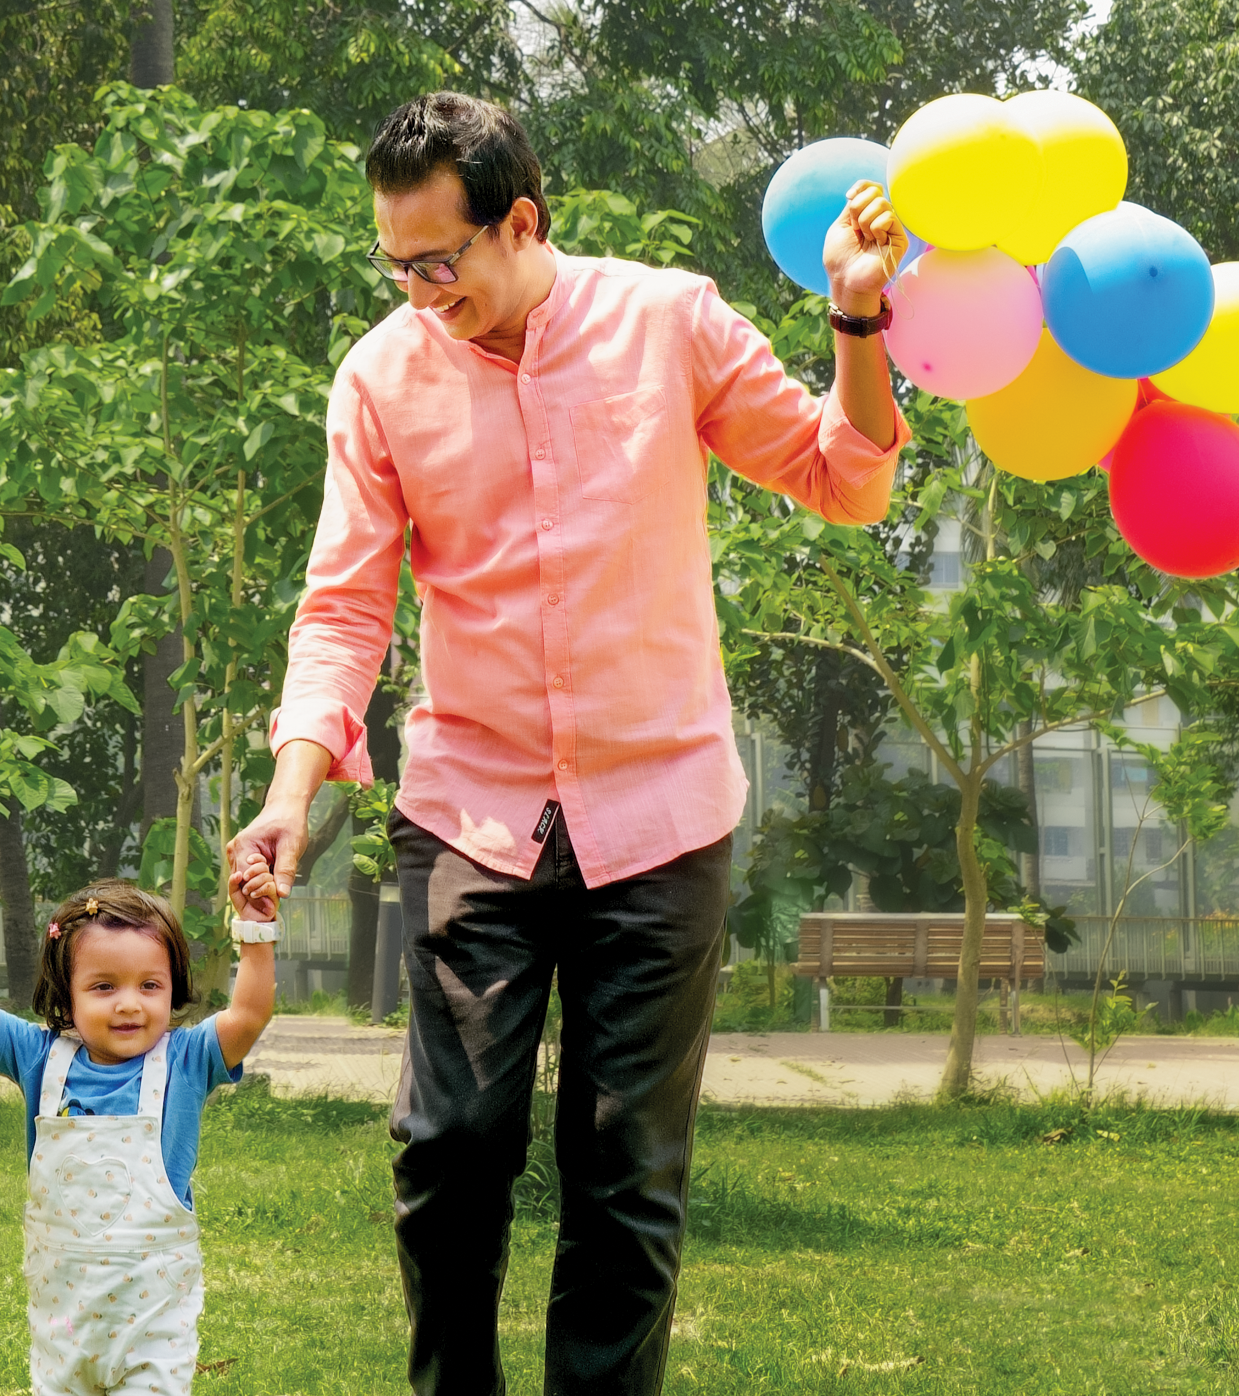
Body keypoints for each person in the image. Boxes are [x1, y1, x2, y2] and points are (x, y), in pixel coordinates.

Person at [225, 93, 907, 1394]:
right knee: (449, 1150)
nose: (419, 292)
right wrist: (285, 796)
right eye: (397, 267)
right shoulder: (380, 377)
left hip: (659, 813)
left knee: (625, 1173)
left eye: (440, 262)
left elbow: (844, 475)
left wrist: (858, 316)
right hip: (469, 808)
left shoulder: (667, 320)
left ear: (519, 222)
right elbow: (345, 607)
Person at [0, 867, 282, 1395]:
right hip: (64, 1328)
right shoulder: (38, 1057)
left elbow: (251, 1011)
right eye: (103, 986)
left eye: (150, 985)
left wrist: (255, 928)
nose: (128, 1003)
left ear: (173, 987)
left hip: (153, 1325)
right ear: (66, 995)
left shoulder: (188, 1060)